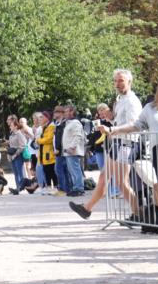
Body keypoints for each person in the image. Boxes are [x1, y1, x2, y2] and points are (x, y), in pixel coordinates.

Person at [68, 69, 144, 219]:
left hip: (126, 143)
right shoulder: (120, 100)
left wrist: (112, 129)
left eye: (121, 81)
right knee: (103, 177)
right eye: (115, 81)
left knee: (121, 182)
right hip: (117, 142)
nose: (117, 84)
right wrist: (111, 118)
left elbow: (134, 125)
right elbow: (119, 121)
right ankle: (87, 209)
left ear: (129, 82)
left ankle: (139, 214)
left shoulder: (132, 101)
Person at [61, 104, 87, 197]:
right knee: (72, 171)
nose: (64, 113)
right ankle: (76, 187)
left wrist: (72, 147)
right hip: (68, 151)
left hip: (73, 151)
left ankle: (79, 188)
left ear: (72, 112)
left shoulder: (75, 123)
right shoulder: (69, 123)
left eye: (66, 111)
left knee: (75, 170)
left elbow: (78, 136)